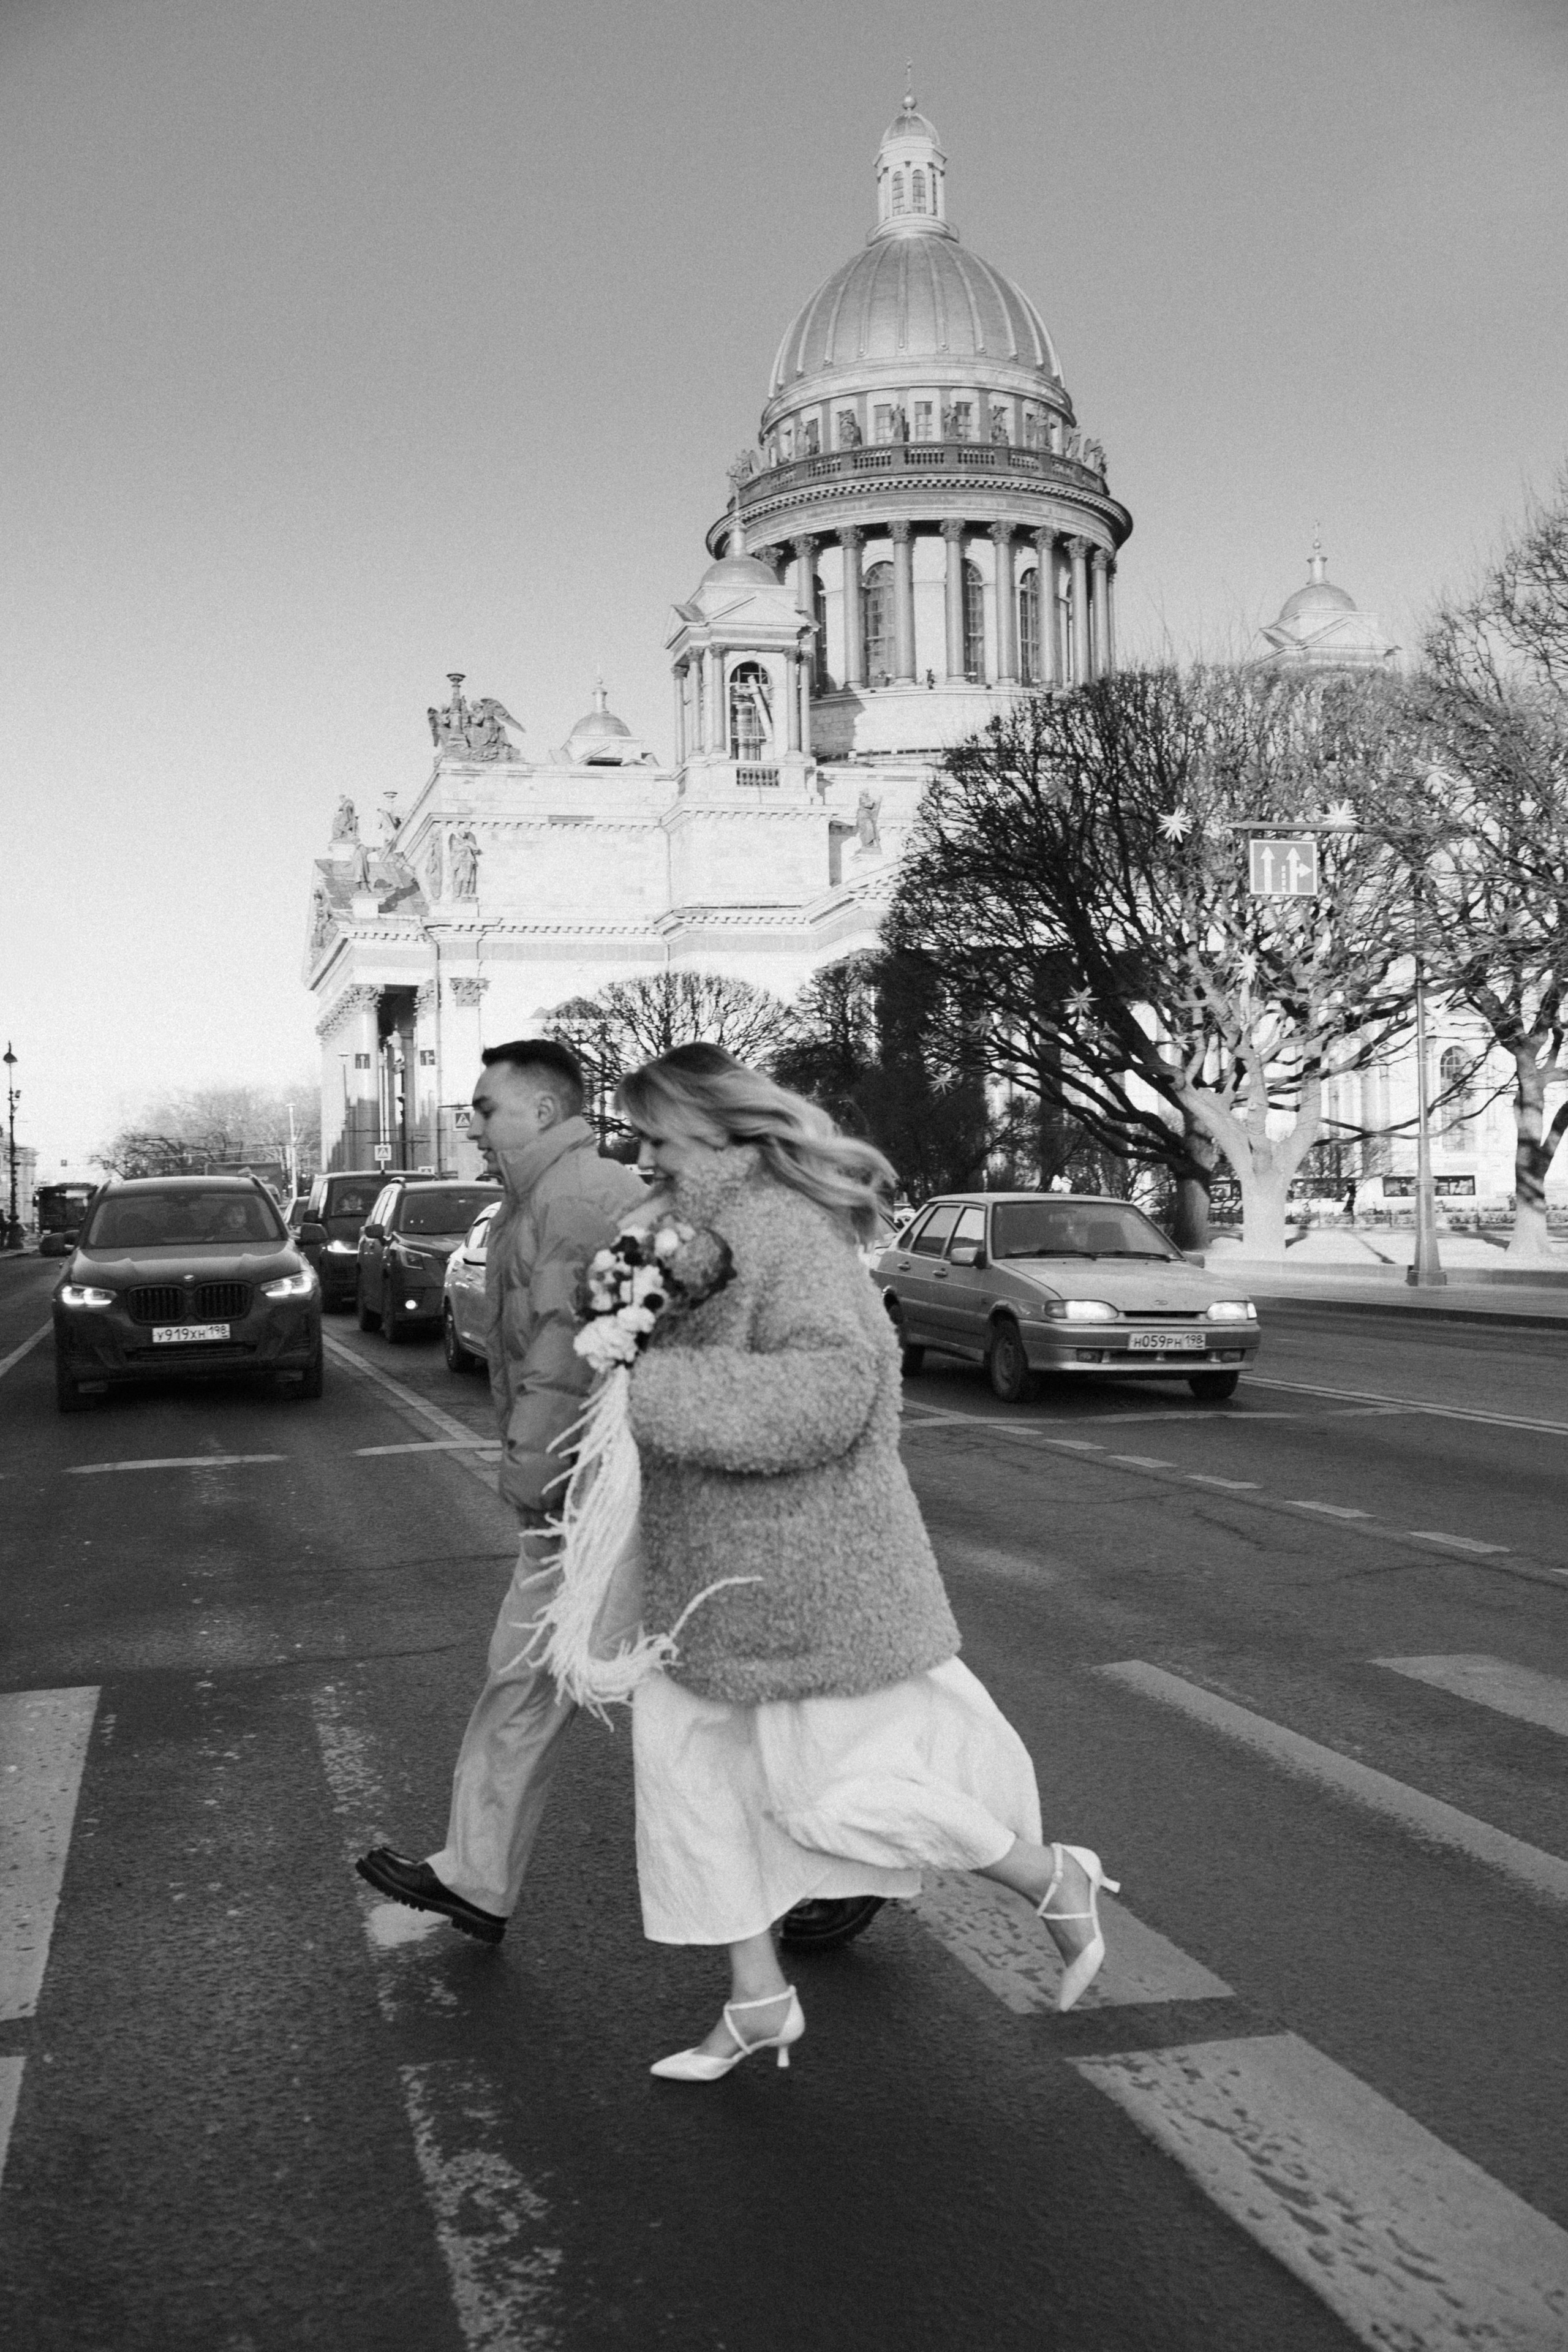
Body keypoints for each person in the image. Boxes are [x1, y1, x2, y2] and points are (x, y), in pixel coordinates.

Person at [615, 1045, 1117, 2081]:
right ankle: (757, 2000)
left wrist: (647, 1392)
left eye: (657, 1131)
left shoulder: (788, 1232)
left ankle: (1049, 1876)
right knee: (688, 1787)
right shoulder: (675, 1229)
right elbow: (621, 1336)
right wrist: (606, 1329)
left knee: (833, 1792)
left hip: (800, 1573)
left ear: (717, 1129)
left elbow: (834, 1389)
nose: (644, 1149)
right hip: (703, 1569)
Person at [357, 1039, 647, 1941]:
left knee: (685, 1698)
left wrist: (533, 1479)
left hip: (596, 1486)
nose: (473, 1124)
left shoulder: (574, 1202)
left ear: (545, 1114)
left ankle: (839, 1865)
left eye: (486, 1109)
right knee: (528, 1673)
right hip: (584, 1481)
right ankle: (477, 1877)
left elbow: (563, 1358)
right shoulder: (539, 1201)